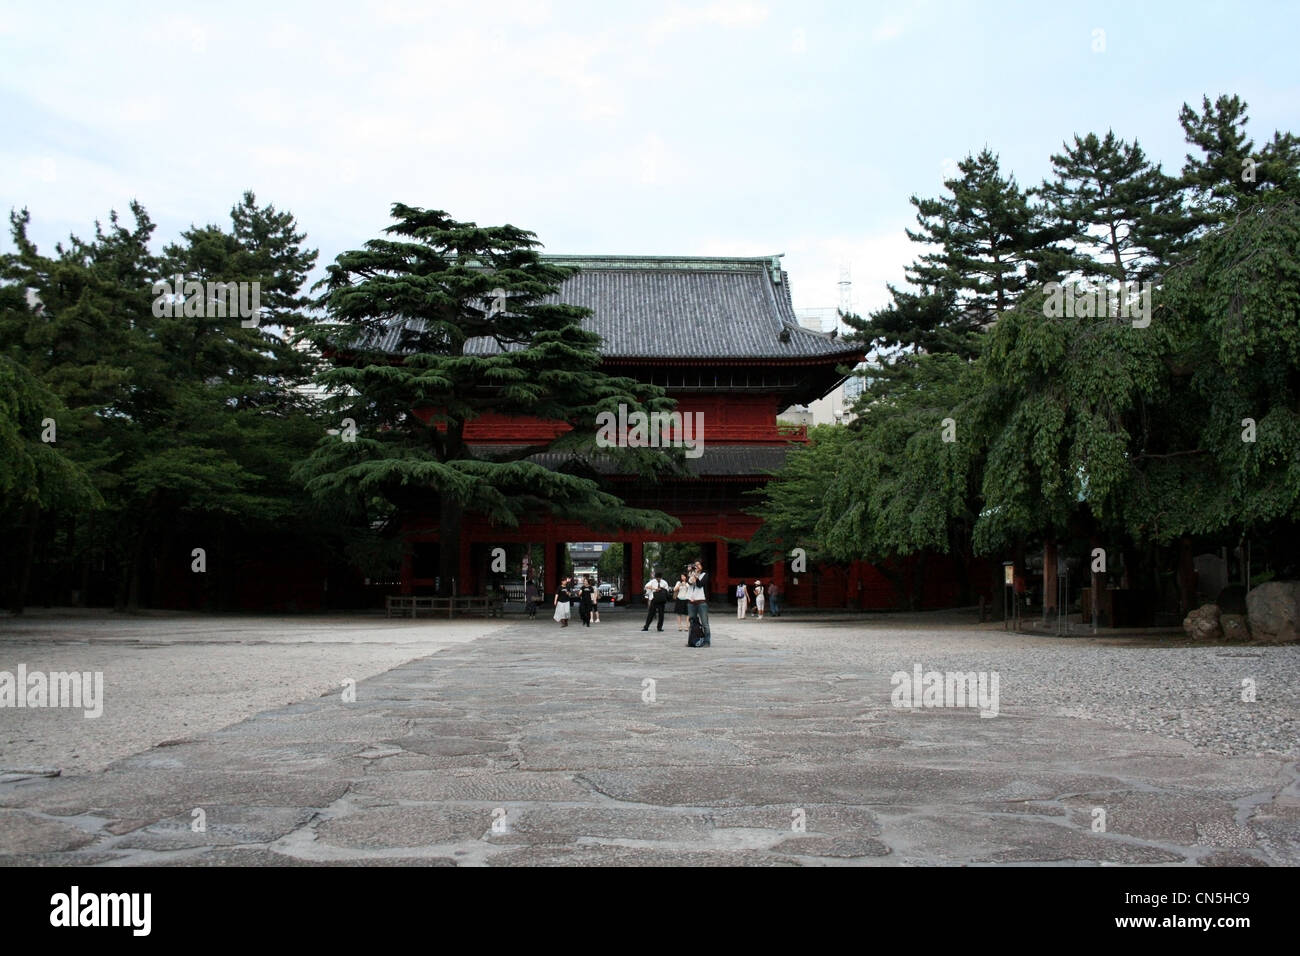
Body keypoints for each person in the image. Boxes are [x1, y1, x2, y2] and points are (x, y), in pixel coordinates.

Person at [686, 560, 711, 646]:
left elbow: (700, 584)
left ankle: (707, 641)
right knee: (692, 622)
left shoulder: (705, 575)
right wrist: (691, 572)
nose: (696, 566)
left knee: (705, 623)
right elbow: (689, 583)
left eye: (698, 565)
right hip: (691, 602)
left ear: (702, 566)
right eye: (695, 565)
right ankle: (692, 640)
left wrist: (696, 575)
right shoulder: (691, 574)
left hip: (701, 602)